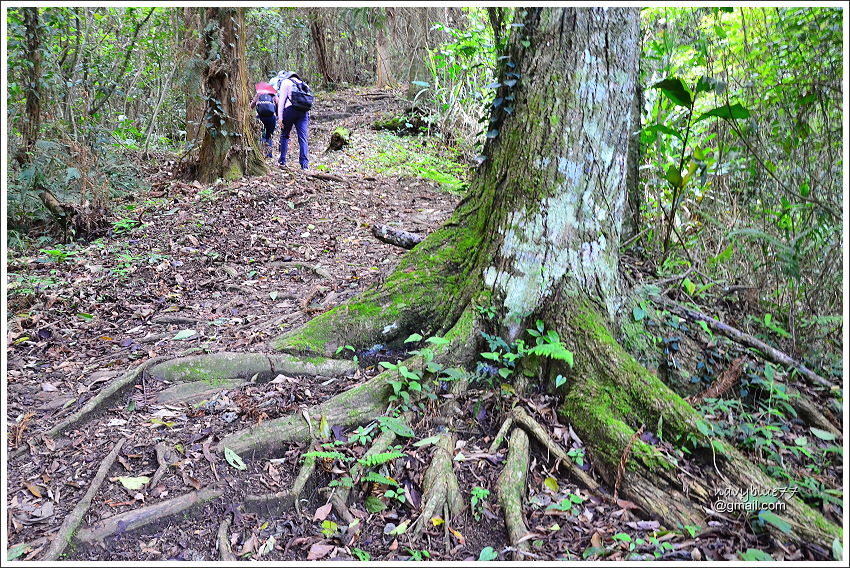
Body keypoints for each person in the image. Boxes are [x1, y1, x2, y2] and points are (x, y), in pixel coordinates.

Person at [275, 71, 310, 170]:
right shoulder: (302, 83)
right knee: (303, 138)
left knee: (285, 135)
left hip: (290, 110)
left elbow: (281, 101)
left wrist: (280, 118)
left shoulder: (286, 82)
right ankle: (304, 165)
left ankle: (282, 160)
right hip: (303, 112)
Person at [250, 85, 278, 158]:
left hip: (260, 117)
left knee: (261, 134)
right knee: (269, 136)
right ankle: (269, 154)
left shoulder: (259, 93)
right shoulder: (273, 94)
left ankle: (261, 153)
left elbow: (252, 104)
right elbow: (278, 103)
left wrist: (248, 110)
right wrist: (277, 115)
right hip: (271, 117)